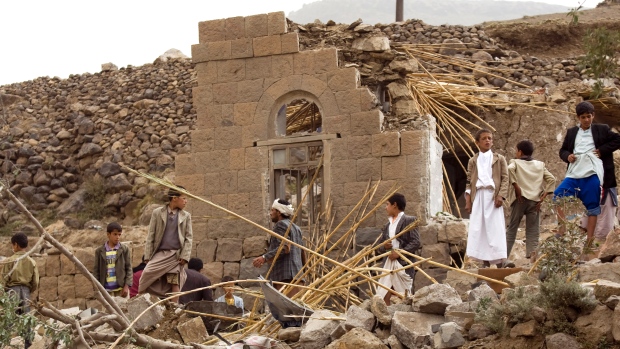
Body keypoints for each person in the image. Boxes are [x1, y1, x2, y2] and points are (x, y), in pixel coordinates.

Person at [555, 101, 620, 244]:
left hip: (593, 172)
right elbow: (563, 150)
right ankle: (562, 229)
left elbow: (617, 139)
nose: (586, 120)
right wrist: (568, 156)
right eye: (583, 117)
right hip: (575, 172)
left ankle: (589, 242)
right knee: (557, 196)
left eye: (589, 116)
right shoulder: (572, 132)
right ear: (578, 117)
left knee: (592, 206)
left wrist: (602, 150)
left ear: (593, 115)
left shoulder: (601, 129)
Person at [139, 187, 193, 303]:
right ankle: (141, 302)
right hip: (160, 254)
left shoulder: (186, 216)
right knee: (146, 275)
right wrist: (148, 256)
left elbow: (189, 238)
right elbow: (151, 236)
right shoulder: (158, 213)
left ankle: (174, 307)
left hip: (175, 255)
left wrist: (185, 256)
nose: (186, 201)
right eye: (183, 198)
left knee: (174, 280)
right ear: (174, 198)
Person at [505, 140, 556, 263]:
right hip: (535, 201)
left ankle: (503, 257)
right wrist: (543, 196)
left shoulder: (515, 162)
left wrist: (516, 186)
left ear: (520, 152)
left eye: (516, 151)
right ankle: (532, 259)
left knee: (512, 228)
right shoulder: (540, 165)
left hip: (520, 199)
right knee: (533, 230)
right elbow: (552, 179)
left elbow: (509, 169)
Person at [465, 129, 509, 268]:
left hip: (492, 196)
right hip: (478, 196)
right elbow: (468, 181)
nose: (487, 140)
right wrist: (468, 201)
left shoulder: (499, 159)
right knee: (480, 228)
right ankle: (485, 262)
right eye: (484, 138)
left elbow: (505, 178)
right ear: (478, 142)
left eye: (489, 138)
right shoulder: (473, 160)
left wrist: (500, 195)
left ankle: (501, 260)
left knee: (495, 228)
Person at [252, 199, 305, 297]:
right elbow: (302, 252)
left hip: (285, 278)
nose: (270, 213)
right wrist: (304, 273)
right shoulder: (297, 228)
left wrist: (264, 257)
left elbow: (285, 247)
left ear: (279, 212)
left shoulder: (280, 225)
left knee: (287, 310)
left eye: (272, 210)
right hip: (298, 277)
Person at [375, 193, 421, 305]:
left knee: (402, 297)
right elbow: (379, 247)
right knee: (384, 293)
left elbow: (416, 242)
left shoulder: (409, 221)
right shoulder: (387, 225)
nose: (386, 207)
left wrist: (399, 253)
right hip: (388, 264)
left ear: (394, 205)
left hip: (403, 265)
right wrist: (384, 247)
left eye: (387, 204)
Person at [1, 233, 39, 349]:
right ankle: (28, 345)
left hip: (12, 292)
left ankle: (6, 344)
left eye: (12, 245)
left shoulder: (9, 261)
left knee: (9, 319)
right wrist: (28, 290)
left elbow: (3, 280)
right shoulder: (32, 262)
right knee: (26, 319)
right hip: (26, 292)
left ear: (16, 245)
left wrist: (5, 291)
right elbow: (35, 282)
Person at [93, 222, 132, 297]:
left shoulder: (124, 249)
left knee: (122, 308)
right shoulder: (100, 251)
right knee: (106, 309)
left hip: (121, 289)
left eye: (119, 234)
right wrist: (97, 288)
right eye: (115, 234)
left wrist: (127, 286)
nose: (118, 237)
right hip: (106, 291)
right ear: (108, 234)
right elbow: (96, 271)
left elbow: (129, 268)